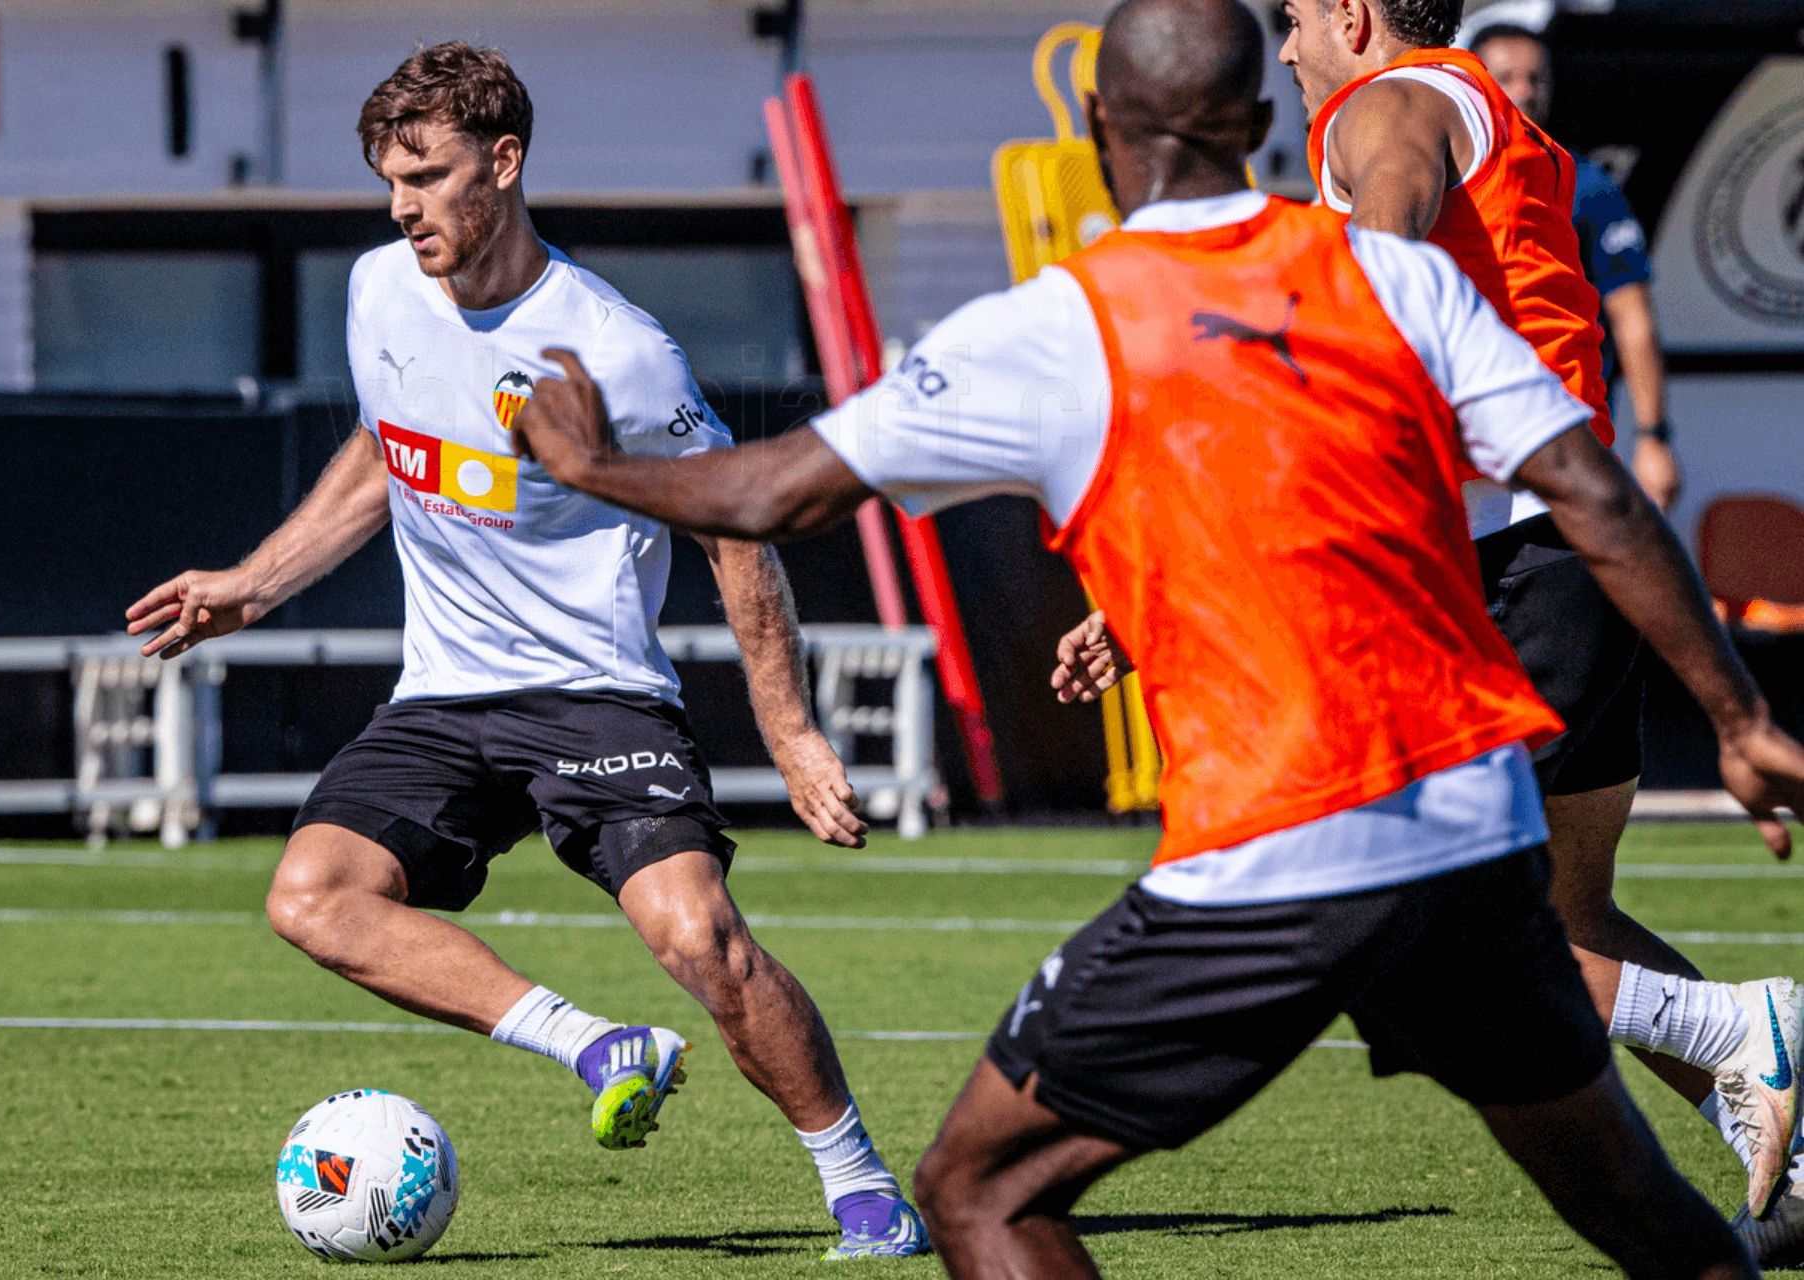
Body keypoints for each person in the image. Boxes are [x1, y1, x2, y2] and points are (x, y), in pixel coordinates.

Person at [509, 2, 1804, 1273]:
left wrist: (593, 462)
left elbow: (773, 493)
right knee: (1633, 1205)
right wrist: (1739, 716)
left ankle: (1738, 1028)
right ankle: (1729, 1036)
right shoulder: (1393, 280)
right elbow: (1597, 488)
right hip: (1464, 825)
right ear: (1256, 124)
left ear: (1095, 124)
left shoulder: (1060, 321)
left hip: (1276, 850)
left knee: (980, 1192)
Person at [122, 41, 929, 1261]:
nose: (404, 207)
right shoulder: (378, 288)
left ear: (502, 164)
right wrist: (256, 582)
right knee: (310, 896)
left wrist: (791, 730)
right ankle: (596, 1046)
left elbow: (732, 532)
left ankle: (859, 1180)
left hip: (594, 695)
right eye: (390, 181)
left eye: (429, 176)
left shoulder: (612, 347)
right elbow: (380, 449)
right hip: (442, 696)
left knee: (695, 934)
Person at [1278, 0, 1804, 1226]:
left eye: (1293, 19)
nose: (1289, 48)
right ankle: (1783, 1125)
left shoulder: (1383, 105)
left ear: (1353, 16)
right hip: (1570, 554)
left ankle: (1744, 1024)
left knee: (1426, 926)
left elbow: (1388, 247)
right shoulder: (1492, 113)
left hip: (1510, 564)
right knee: (1571, 918)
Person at [1471, 21, 1681, 512]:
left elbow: (1632, 316)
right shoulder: (1446, 184)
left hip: (1567, 442)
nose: (1524, 92)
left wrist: (1654, 437)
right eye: (1507, 78)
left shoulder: (1585, 185)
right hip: (1467, 446)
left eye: (1536, 79)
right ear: (1475, 84)